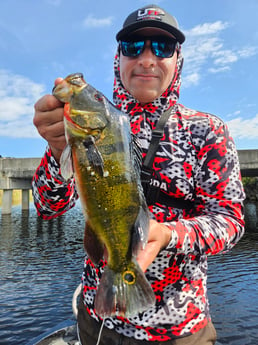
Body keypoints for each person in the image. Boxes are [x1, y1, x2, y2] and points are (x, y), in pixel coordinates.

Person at [32, 4, 245, 345]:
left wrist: (167, 235)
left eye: (162, 47)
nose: (147, 59)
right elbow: (47, 208)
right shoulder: (89, 125)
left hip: (179, 330)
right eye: (134, 46)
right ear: (119, 59)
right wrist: (58, 153)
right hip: (97, 318)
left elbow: (231, 222)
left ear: (178, 60)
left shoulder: (208, 130)